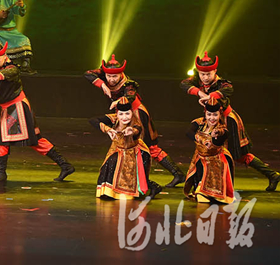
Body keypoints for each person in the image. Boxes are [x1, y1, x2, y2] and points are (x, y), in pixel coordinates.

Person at [0, 38, 74, 187]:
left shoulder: (12, 68)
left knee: (2, 140)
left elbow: (5, 73)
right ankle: (65, 165)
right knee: (35, 140)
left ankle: (1, 174)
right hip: (8, 108)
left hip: (17, 107)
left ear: (5, 56)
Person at [180, 52, 279, 192]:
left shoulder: (221, 84)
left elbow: (229, 89)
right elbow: (184, 84)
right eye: (202, 74)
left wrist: (209, 96)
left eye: (208, 74)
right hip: (212, 120)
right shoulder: (199, 81)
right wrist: (200, 93)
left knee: (232, 155)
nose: (205, 77)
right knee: (209, 151)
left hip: (227, 121)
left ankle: (269, 175)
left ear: (215, 71)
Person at [84, 54, 185, 188]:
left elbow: (130, 97)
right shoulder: (104, 76)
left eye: (115, 76)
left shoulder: (128, 84)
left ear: (121, 74)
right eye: (109, 76)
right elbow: (88, 74)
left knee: (147, 147)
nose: (111, 79)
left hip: (136, 114)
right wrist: (102, 84)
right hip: (121, 114)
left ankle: (173, 174)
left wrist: (117, 102)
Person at [89, 99, 162, 200]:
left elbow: (137, 130)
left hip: (134, 153)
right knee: (110, 163)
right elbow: (93, 120)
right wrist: (107, 129)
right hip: (117, 150)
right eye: (121, 114)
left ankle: (153, 187)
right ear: (117, 114)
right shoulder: (115, 119)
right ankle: (110, 192)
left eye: (127, 114)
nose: (124, 117)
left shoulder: (136, 122)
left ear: (132, 113)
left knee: (135, 177)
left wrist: (131, 131)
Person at [183, 102, 234, 204]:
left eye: (215, 115)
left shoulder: (222, 130)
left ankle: (209, 193)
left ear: (219, 114)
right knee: (200, 192)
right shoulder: (200, 123)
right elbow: (189, 132)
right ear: (205, 114)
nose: (212, 118)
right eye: (209, 114)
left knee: (212, 196)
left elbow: (218, 141)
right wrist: (203, 140)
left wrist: (215, 137)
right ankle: (201, 190)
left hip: (216, 161)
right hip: (200, 157)